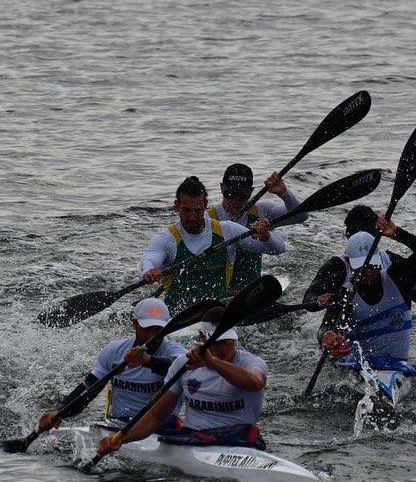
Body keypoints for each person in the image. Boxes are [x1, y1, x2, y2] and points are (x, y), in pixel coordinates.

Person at [96, 306, 270, 456]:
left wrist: (213, 362)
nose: (223, 348)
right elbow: (156, 416)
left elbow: (255, 382)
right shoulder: (183, 364)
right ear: (203, 337)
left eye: (227, 342)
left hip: (239, 443)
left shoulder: (251, 362)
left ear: (235, 339)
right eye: (216, 342)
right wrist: (120, 439)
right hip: (192, 443)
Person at [37, 297, 187, 432]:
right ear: (134, 324)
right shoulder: (114, 351)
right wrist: (60, 411)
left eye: (159, 329)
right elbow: (89, 388)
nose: (152, 335)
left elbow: (181, 366)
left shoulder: (176, 353)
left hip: (159, 426)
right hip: (118, 424)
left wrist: (148, 361)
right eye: (147, 328)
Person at [140, 176, 286, 312]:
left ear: (205, 205)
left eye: (197, 210)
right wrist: (149, 271)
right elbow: (149, 259)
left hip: (216, 313)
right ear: (177, 206)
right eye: (186, 210)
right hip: (177, 314)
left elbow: (278, 249)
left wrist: (266, 236)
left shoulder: (227, 230)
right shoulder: (167, 238)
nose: (192, 217)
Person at [305, 216, 416, 363]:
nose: (367, 271)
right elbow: (325, 326)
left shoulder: (398, 278)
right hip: (360, 369)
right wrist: (326, 337)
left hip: (397, 367)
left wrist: (397, 233)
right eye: (360, 266)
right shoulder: (344, 295)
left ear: (378, 258)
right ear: (350, 262)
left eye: (371, 265)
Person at [207, 163, 306, 292]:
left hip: (250, 292)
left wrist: (284, 193)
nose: (235, 201)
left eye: (242, 196)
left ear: (251, 192)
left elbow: (301, 216)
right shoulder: (207, 219)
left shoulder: (261, 212)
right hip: (216, 292)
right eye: (230, 194)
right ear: (221, 188)